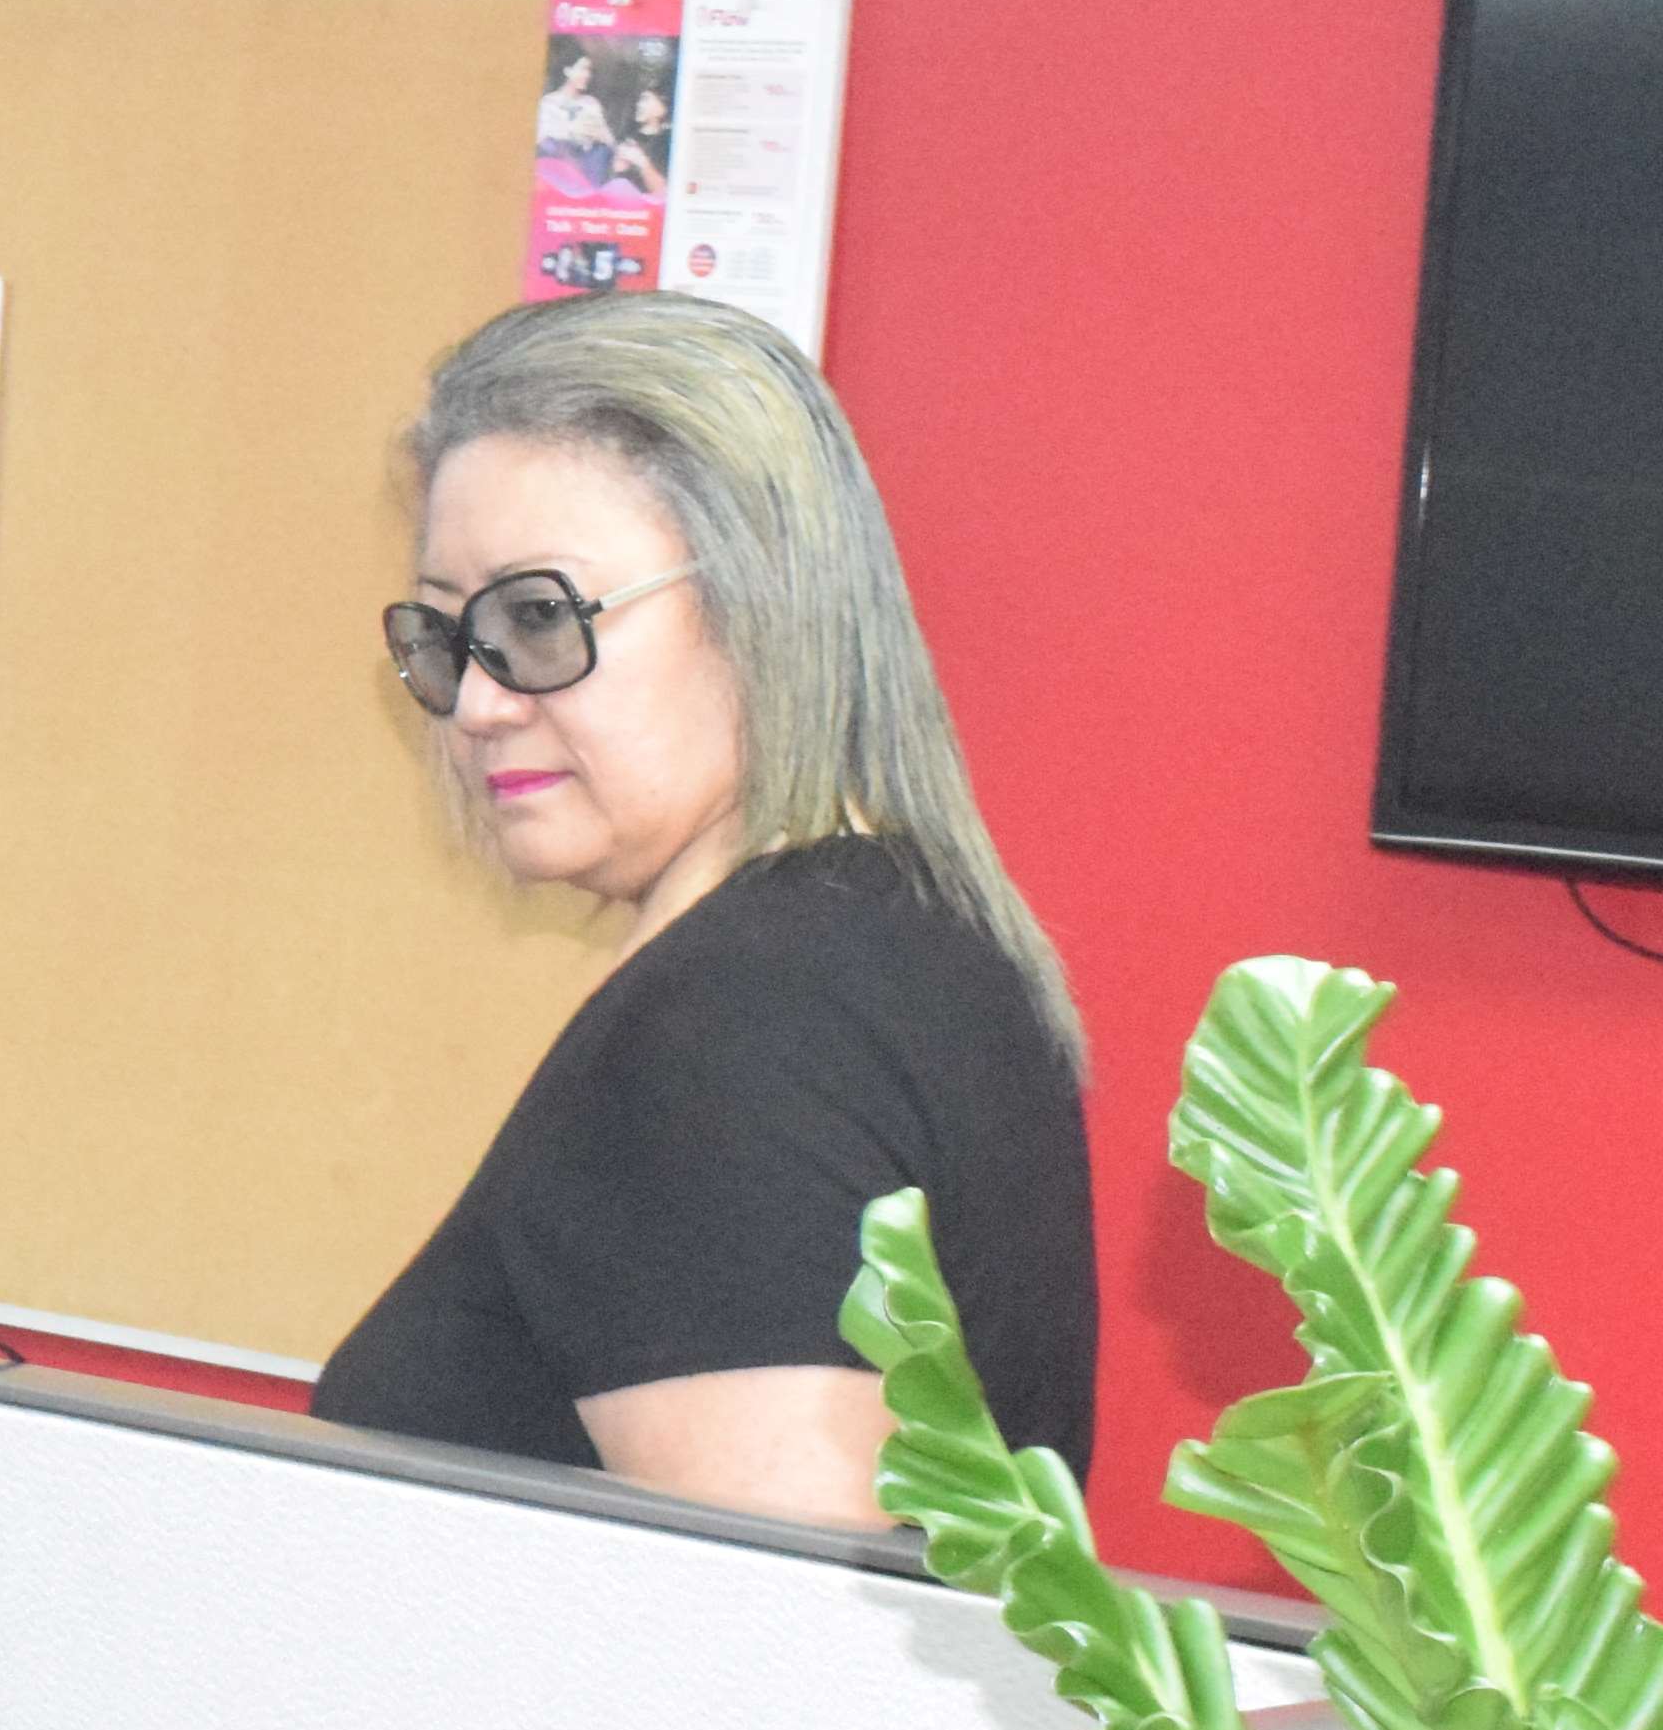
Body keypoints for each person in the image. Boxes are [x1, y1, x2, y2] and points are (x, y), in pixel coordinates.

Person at [306, 290, 1090, 1525]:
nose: (476, 706)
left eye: (538, 619)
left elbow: (778, 1658)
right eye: (450, 637)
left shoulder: (741, 1024)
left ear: (759, 602)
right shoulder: (913, 944)